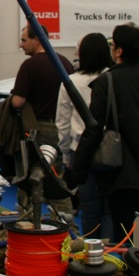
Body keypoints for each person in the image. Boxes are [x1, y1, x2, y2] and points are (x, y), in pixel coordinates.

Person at [72, 24, 139, 253]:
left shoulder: (106, 83)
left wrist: (77, 171)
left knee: (126, 243)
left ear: (119, 51)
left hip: (125, 177)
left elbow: (93, 130)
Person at [11, 24, 75, 216]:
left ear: (37, 40)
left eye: (24, 40)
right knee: (57, 176)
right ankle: (67, 222)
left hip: (37, 130)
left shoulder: (29, 66)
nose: (21, 45)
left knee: (30, 177)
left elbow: (17, 101)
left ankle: (26, 220)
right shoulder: (65, 63)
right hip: (62, 129)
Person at [57, 32, 113, 240]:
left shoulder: (70, 83)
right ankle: (111, 252)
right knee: (108, 209)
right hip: (110, 150)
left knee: (89, 208)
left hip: (80, 151)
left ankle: (91, 252)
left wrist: (65, 156)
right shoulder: (113, 78)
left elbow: (62, 123)